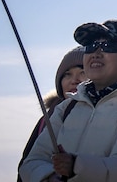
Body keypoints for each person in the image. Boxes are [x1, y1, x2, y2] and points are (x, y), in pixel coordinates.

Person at [19, 19, 117, 182]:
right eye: (90, 47)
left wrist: (76, 166)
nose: (96, 53)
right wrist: (48, 177)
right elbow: (31, 162)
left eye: (108, 46)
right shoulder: (66, 108)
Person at [17, 46, 86, 181]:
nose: (74, 80)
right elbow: (26, 166)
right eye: (67, 74)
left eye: (82, 72)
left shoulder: (109, 112)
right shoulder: (47, 120)